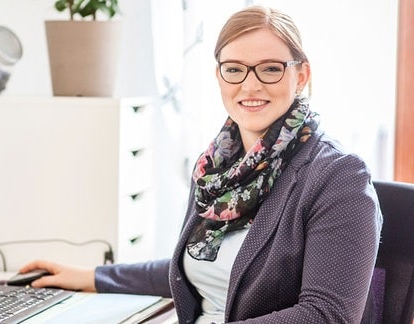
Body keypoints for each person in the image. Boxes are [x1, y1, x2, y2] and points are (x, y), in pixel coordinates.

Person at [20, 6, 382, 323]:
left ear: (300, 76)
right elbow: (194, 270)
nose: (250, 85)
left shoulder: (338, 176)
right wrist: (91, 276)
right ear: (219, 76)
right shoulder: (216, 169)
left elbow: (327, 315)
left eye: (270, 69)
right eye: (234, 69)